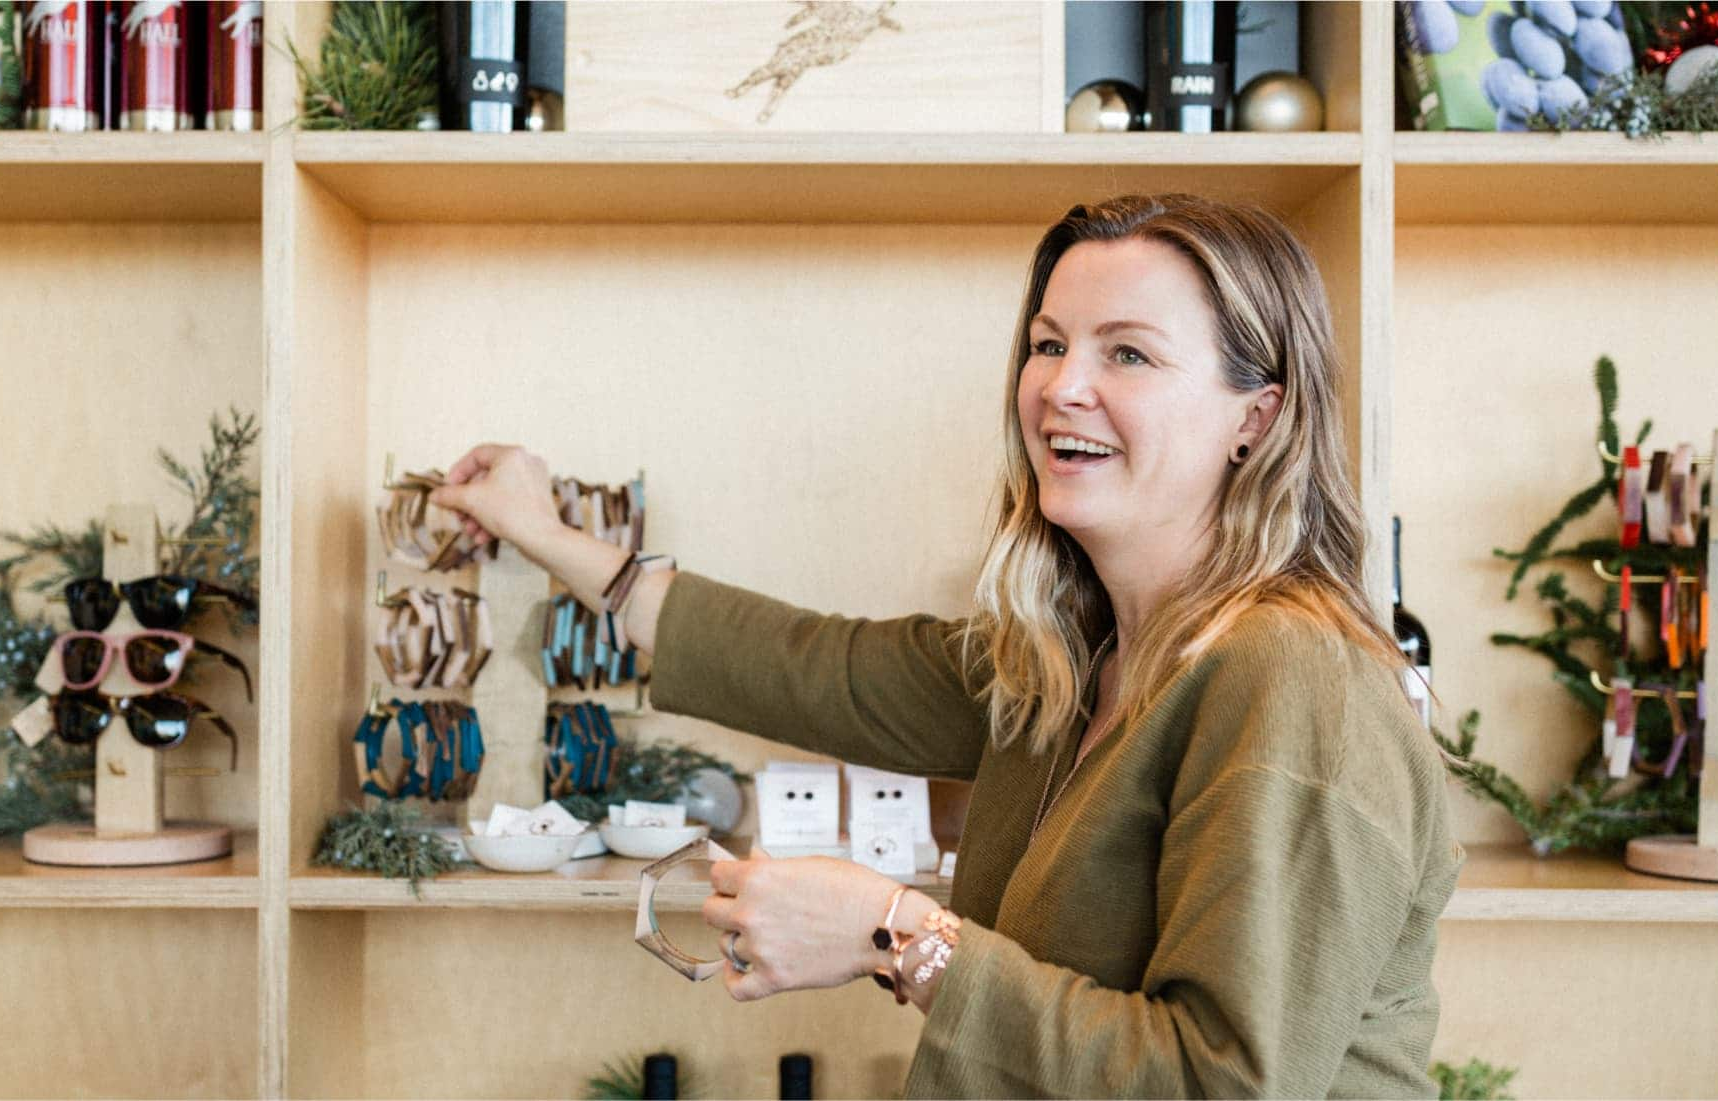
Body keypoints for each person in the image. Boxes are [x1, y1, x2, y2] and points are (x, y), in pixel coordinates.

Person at [427, 193, 1463, 1099]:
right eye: (1049, 343)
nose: (1060, 386)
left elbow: (1218, 1083)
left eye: (1128, 353)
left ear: (1258, 416)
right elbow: (811, 666)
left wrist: (896, 931)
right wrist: (542, 530)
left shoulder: (1296, 681)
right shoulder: (1070, 660)